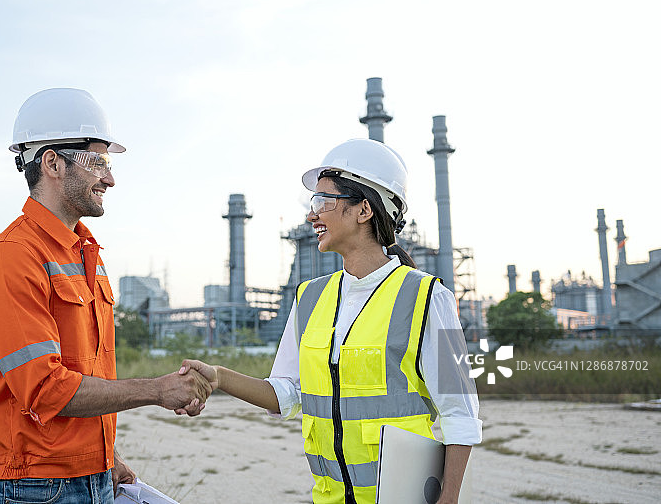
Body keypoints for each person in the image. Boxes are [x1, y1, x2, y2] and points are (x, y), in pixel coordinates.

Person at [182, 138, 482, 504]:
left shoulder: (428, 296)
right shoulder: (309, 298)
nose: (312, 216)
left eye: (323, 202)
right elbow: (285, 394)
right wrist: (219, 377)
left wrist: (449, 498)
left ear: (364, 210)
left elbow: (459, 412)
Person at [0, 88, 212, 504]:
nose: (110, 178)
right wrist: (157, 390)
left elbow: (85, 371)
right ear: (52, 163)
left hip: (90, 475)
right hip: (32, 486)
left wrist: (105, 455)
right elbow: (45, 388)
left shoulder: (85, 255)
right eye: (98, 162)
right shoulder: (12, 257)